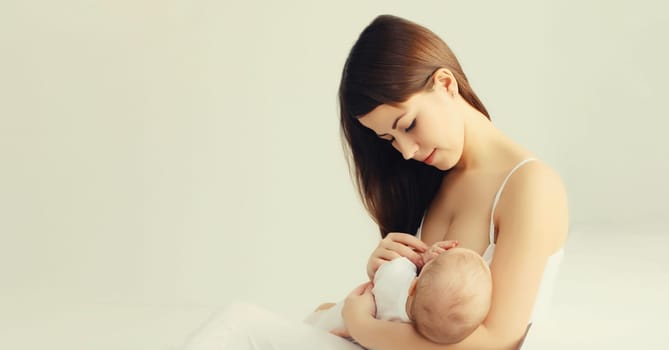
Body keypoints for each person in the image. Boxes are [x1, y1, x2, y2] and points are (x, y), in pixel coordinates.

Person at [184, 13, 568, 350]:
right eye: (389, 139)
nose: (404, 151)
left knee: (238, 325)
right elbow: (415, 319)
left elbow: (496, 341)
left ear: (446, 85)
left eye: (408, 125)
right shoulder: (437, 179)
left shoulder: (531, 187)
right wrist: (384, 275)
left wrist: (361, 326)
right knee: (296, 319)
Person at [304, 240, 492, 345]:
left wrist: (421, 258)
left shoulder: (396, 276)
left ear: (413, 286)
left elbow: (394, 264)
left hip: (325, 324)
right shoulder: (409, 330)